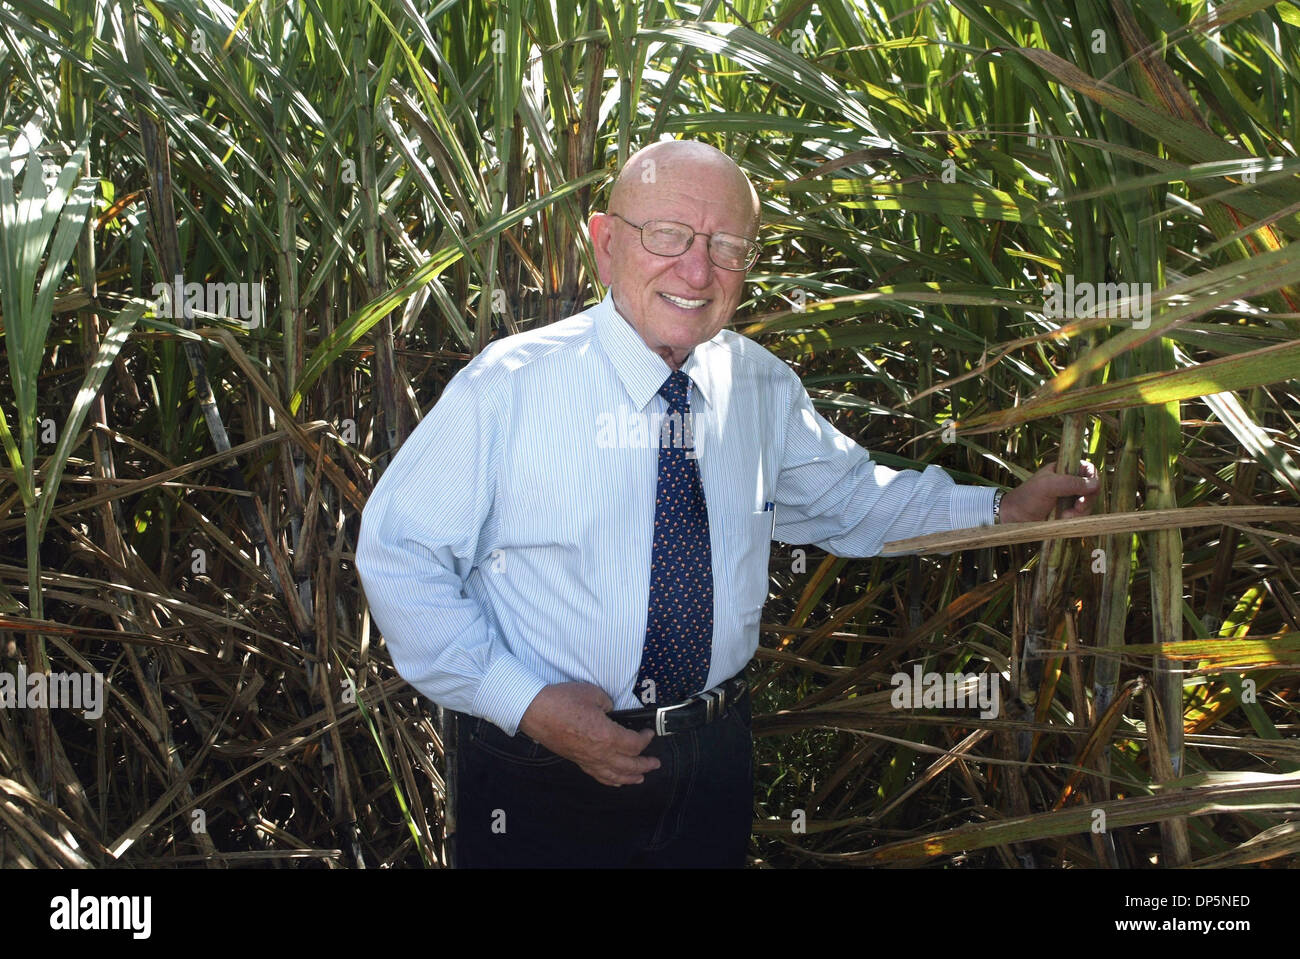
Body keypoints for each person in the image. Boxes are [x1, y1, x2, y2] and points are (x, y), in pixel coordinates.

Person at [356, 139, 1099, 868]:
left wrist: (1001, 510)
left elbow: (849, 499)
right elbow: (400, 556)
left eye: (726, 246)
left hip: (712, 759)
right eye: (668, 236)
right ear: (606, 243)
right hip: (540, 767)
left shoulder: (759, 387)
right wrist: (528, 704)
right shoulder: (510, 387)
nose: (697, 269)